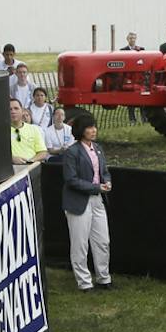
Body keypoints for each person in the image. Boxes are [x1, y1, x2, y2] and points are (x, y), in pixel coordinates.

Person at [60, 113, 112, 291]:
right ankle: (84, 283)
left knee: (102, 241)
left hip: (98, 201)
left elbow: (104, 171)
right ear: (81, 131)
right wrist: (96, 188)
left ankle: (104, 279)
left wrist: (107, 181)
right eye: (89, 127)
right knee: (80, 244)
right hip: (78, 202)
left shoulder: (97, 148)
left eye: (94, 126)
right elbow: (71, 180)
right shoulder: (72, 152)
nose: (93, 130)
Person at [8, 98, 47, 163]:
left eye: (16, 108)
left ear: (22, 110)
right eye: (10, 109)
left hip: (31, 167)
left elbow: (43, 152)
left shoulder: (34, 129)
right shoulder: (1, 131)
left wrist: (30, 161)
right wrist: (12, 159)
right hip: (11, 168)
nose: (13, 111)